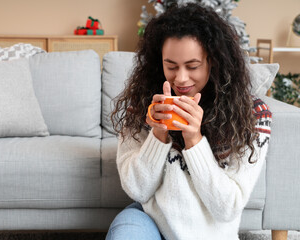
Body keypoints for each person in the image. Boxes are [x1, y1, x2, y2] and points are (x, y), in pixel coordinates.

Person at [106, 2, 272, 240]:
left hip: (210, 232)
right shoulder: (144, 104)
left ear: (213, 61)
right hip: (150, 221)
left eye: (192, 66)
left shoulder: (252, 114)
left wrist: (194, 140)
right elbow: (138, 191)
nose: (180, 79)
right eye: (171, 66)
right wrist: (158, 135)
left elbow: (227, 208)